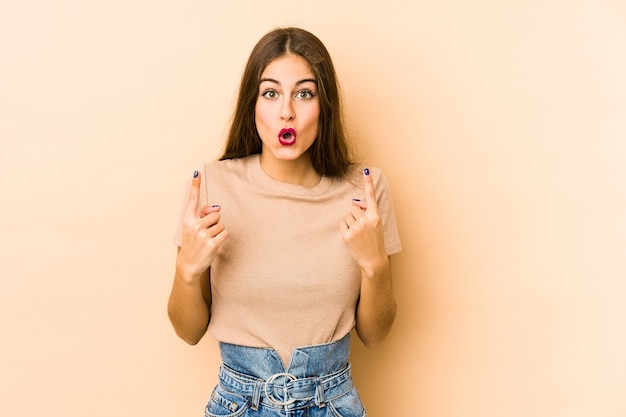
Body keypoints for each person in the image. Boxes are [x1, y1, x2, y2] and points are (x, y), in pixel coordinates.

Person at [168, 27, 402, 417]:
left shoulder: (365, 189)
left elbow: (375, 335)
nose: (286, 111)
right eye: (271, 93)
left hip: (333, 403)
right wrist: (188, 271)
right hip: (239, 403)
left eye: (304, 93)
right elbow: (188, 332)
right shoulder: (211, 185)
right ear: (253, 104)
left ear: (324, 105)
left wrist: (374, 265)